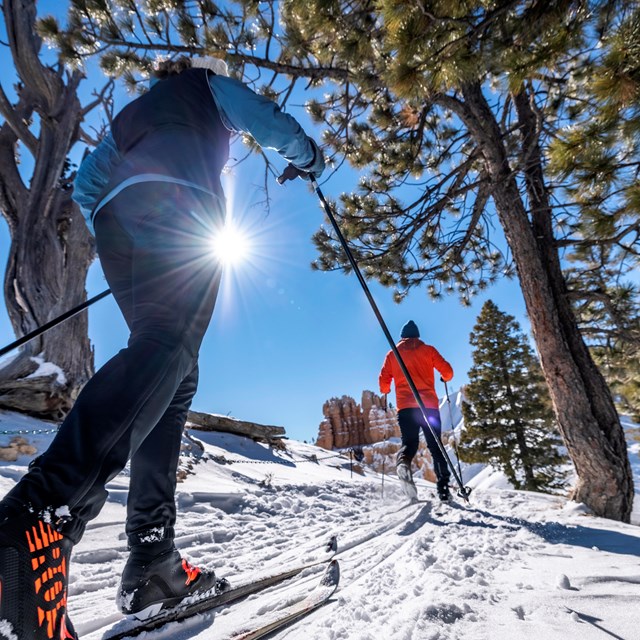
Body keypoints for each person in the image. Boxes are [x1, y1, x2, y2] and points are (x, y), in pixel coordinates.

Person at [0, 55, 324, 639]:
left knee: (173, 372)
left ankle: (152, 557)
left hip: (121, 228)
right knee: (169, 349)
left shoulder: (133, 113)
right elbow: (262, 117)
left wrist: (118, 223)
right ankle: (39, 513)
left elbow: (90, 182)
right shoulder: (206, 87)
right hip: (182, 212)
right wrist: (308, 156)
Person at [379, 320, 454, 502]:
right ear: (417, 336)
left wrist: (388, 389)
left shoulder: (393, 354)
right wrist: (444, 378)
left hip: (406, 408)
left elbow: (383, 385)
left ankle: (403, 463)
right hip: (428, 407)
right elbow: (448, 372)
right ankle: (443, 490)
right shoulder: (428, 350)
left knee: (410, 443)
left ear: (402, 337)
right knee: (436, 447)